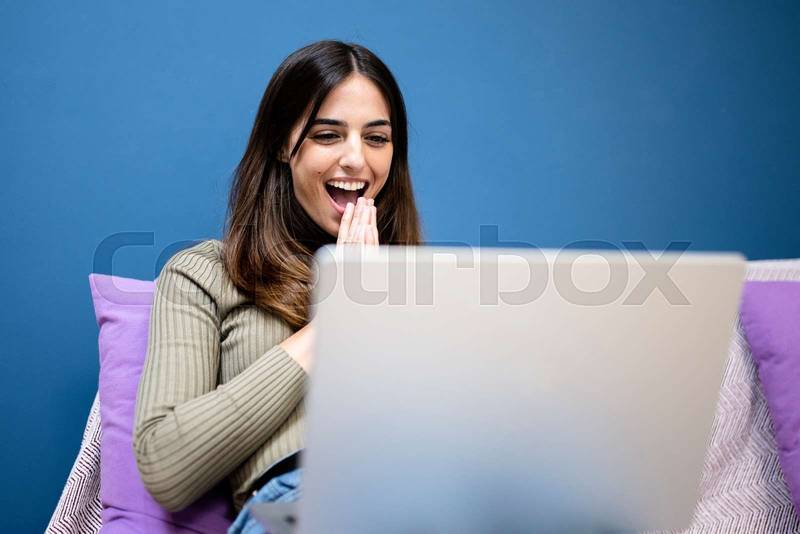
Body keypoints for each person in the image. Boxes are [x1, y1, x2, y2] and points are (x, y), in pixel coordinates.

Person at [132, 39, 423, 533]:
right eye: (328, 135)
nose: (357, 159)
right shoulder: (205, 274)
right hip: (303, 503)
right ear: (282, 145)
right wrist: (335, 314)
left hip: (428, 498)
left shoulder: (424, 285)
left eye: (377, 139)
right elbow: (167, 466)